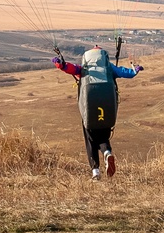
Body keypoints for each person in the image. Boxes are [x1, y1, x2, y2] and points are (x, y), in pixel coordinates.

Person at [53, 45, 142, 180]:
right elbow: (125, 72)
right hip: (106, 109)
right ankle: (107, 152)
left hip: (89, 111)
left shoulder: (84, 68)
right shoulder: (109, 68)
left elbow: (70, 68)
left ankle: (95, 171)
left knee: (90, 140)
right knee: (103, 137)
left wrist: (60, 65)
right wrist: (135, 70)